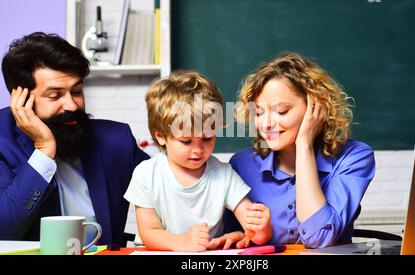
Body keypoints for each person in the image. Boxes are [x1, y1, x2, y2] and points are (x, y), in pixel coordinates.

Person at [0, 32, 149, 245]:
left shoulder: (116, 141)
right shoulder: (2, 141)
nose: (71, 105)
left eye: (77, 91)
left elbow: (168, 186)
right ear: (21, 100)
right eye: (55, 95)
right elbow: (4, 231)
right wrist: (44, 151)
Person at [225, 52, 376, 249]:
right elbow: (233, 238)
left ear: (316, 107)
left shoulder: (354, 157)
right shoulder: (241, 165)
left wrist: (304, 144)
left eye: (281, 111)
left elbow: (319, 238)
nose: (267, 124)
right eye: (259, 112)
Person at [124, 71, 272, 251]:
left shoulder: (223, 174)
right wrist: (183, 243)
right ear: (161, 136)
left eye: (207, 138)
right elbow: (149, 232)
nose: (198, 150)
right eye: (186, 141)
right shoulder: (146, 174)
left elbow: (254, 231)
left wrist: (260, 228)